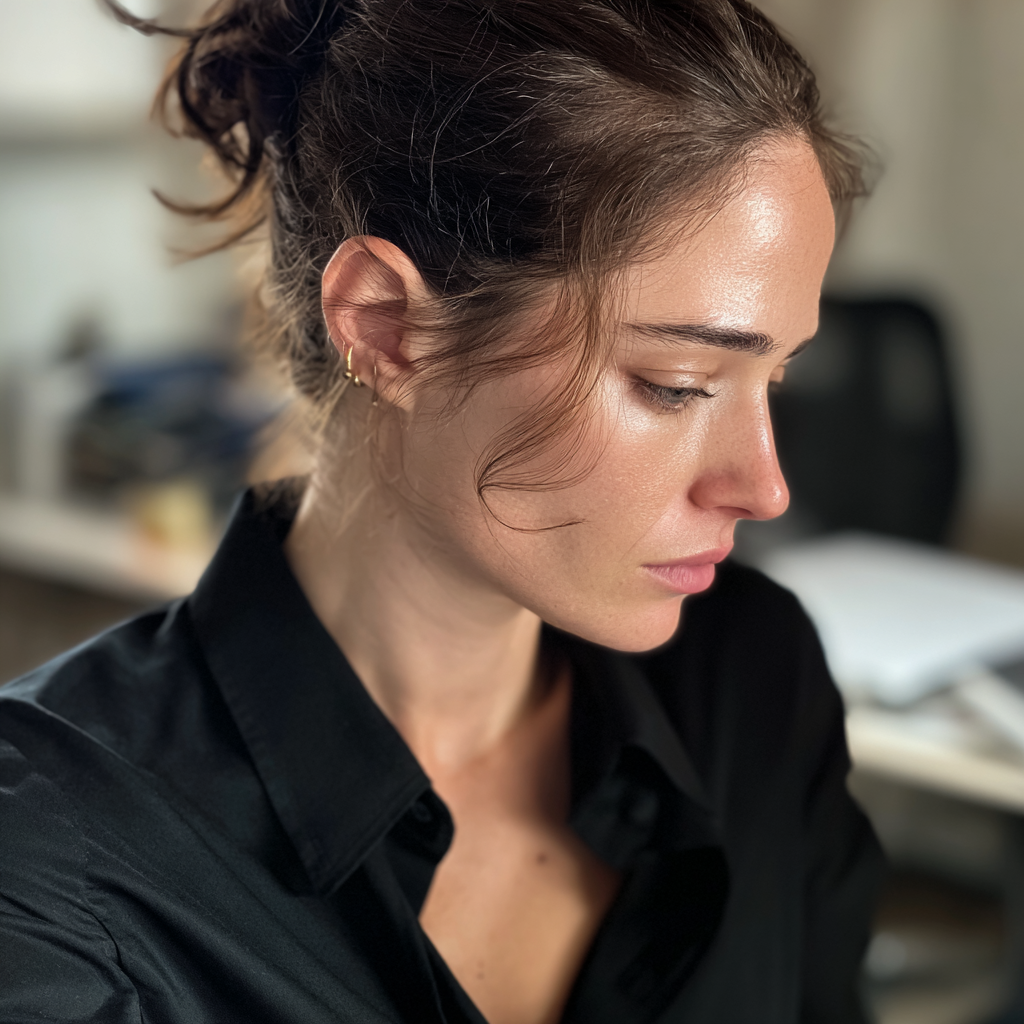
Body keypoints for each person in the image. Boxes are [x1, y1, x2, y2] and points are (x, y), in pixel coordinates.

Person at [0, 1, 884, 1022]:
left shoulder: (750, 681)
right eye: (677, 383)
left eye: (773, 378)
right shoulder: (51, 855)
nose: (764, 487)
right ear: (385, 327)